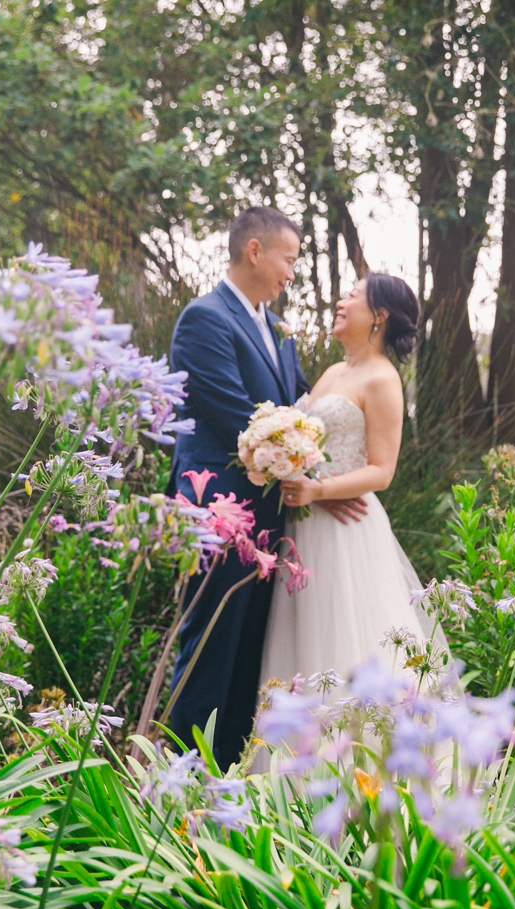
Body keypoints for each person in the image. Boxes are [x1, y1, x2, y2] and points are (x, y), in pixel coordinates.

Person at [166, 206, 366, 768]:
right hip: (219, 513)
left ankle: (226, 780)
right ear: (255, 251)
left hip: (271, 519)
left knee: (248, 656)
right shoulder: (203, 319)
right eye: (289, 258)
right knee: (208, 649)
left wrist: (325, 480)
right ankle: (184, 781)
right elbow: (239, 419)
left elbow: (297, 409)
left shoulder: (276, 328)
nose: (292, 272)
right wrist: (312, 476)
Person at [261, 273, 435, 691]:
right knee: (303, 640)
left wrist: (319, 490)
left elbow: (382, 470)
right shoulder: (335, 371)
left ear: (379, 315)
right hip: (306, 521)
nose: (341, 302)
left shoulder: (382, 379)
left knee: (346, 637)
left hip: (346, 529)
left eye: (352, 297)